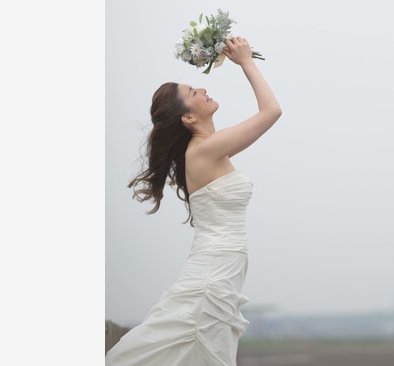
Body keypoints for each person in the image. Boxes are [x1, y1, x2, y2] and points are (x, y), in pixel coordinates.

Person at [106, 36, 282, 366]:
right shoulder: (205, 149)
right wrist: (245, 62)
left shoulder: (210, 147)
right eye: (193, 93)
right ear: (188, 118)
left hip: (221, 274)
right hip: (213, 277)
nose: (202, 89)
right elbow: (272, 111)